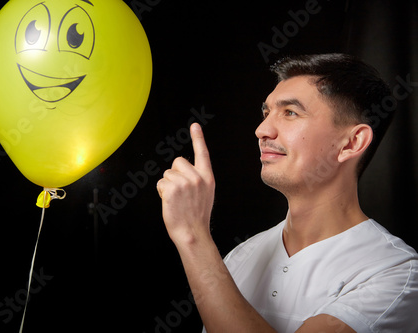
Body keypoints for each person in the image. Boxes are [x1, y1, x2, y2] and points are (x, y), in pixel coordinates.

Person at [156, 53, 418, 332]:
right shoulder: (240, 257)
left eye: (290, 113)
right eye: (266, 113)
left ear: (351, 143)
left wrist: (193, 236)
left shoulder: (395, 273)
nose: (262, 130)